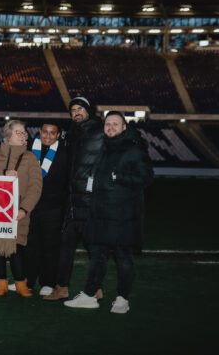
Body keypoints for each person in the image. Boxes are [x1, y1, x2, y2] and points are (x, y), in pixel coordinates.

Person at [65, 112, 153, 313]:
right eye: (107, 124)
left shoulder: (134, 149)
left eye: (115, 124)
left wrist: (119, 176)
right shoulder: (104, 147)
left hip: (123, 214)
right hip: (100, 212)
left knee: (123, 255)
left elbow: (146, 178)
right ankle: (89, 295)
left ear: (124, 127)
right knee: (97, 255)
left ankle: (122, 299)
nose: (111, 127)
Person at [45, 97, 105, 302]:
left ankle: (96, 288)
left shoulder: (101, 131)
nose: (76, 112)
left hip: (91, 199)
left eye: (80, 109)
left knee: (94, 246)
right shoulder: (72, 133)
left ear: (88, 111)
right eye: (73, 110)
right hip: (71, 198)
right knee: (66, 244)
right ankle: (62, 287)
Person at [0, 120, 43, 297]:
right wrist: (2, 174)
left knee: (18, 249)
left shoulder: (30, 158)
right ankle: (1, 283)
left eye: (24, 132)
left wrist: (25, 209)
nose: (23, 135)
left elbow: (35, 187)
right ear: (8, 135)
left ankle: (21, 283)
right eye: (18, 132)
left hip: (19, 212)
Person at [24, 121, 69, 295]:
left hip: (53, 207)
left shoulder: (64, 153)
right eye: (45, 132)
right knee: (30, 245)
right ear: (39, 132)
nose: (48, 136)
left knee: (50, 246)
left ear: (58, 135)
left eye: (52, 133)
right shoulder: (29, 149)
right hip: (31, 205)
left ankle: (48, 282)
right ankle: (27, 280)